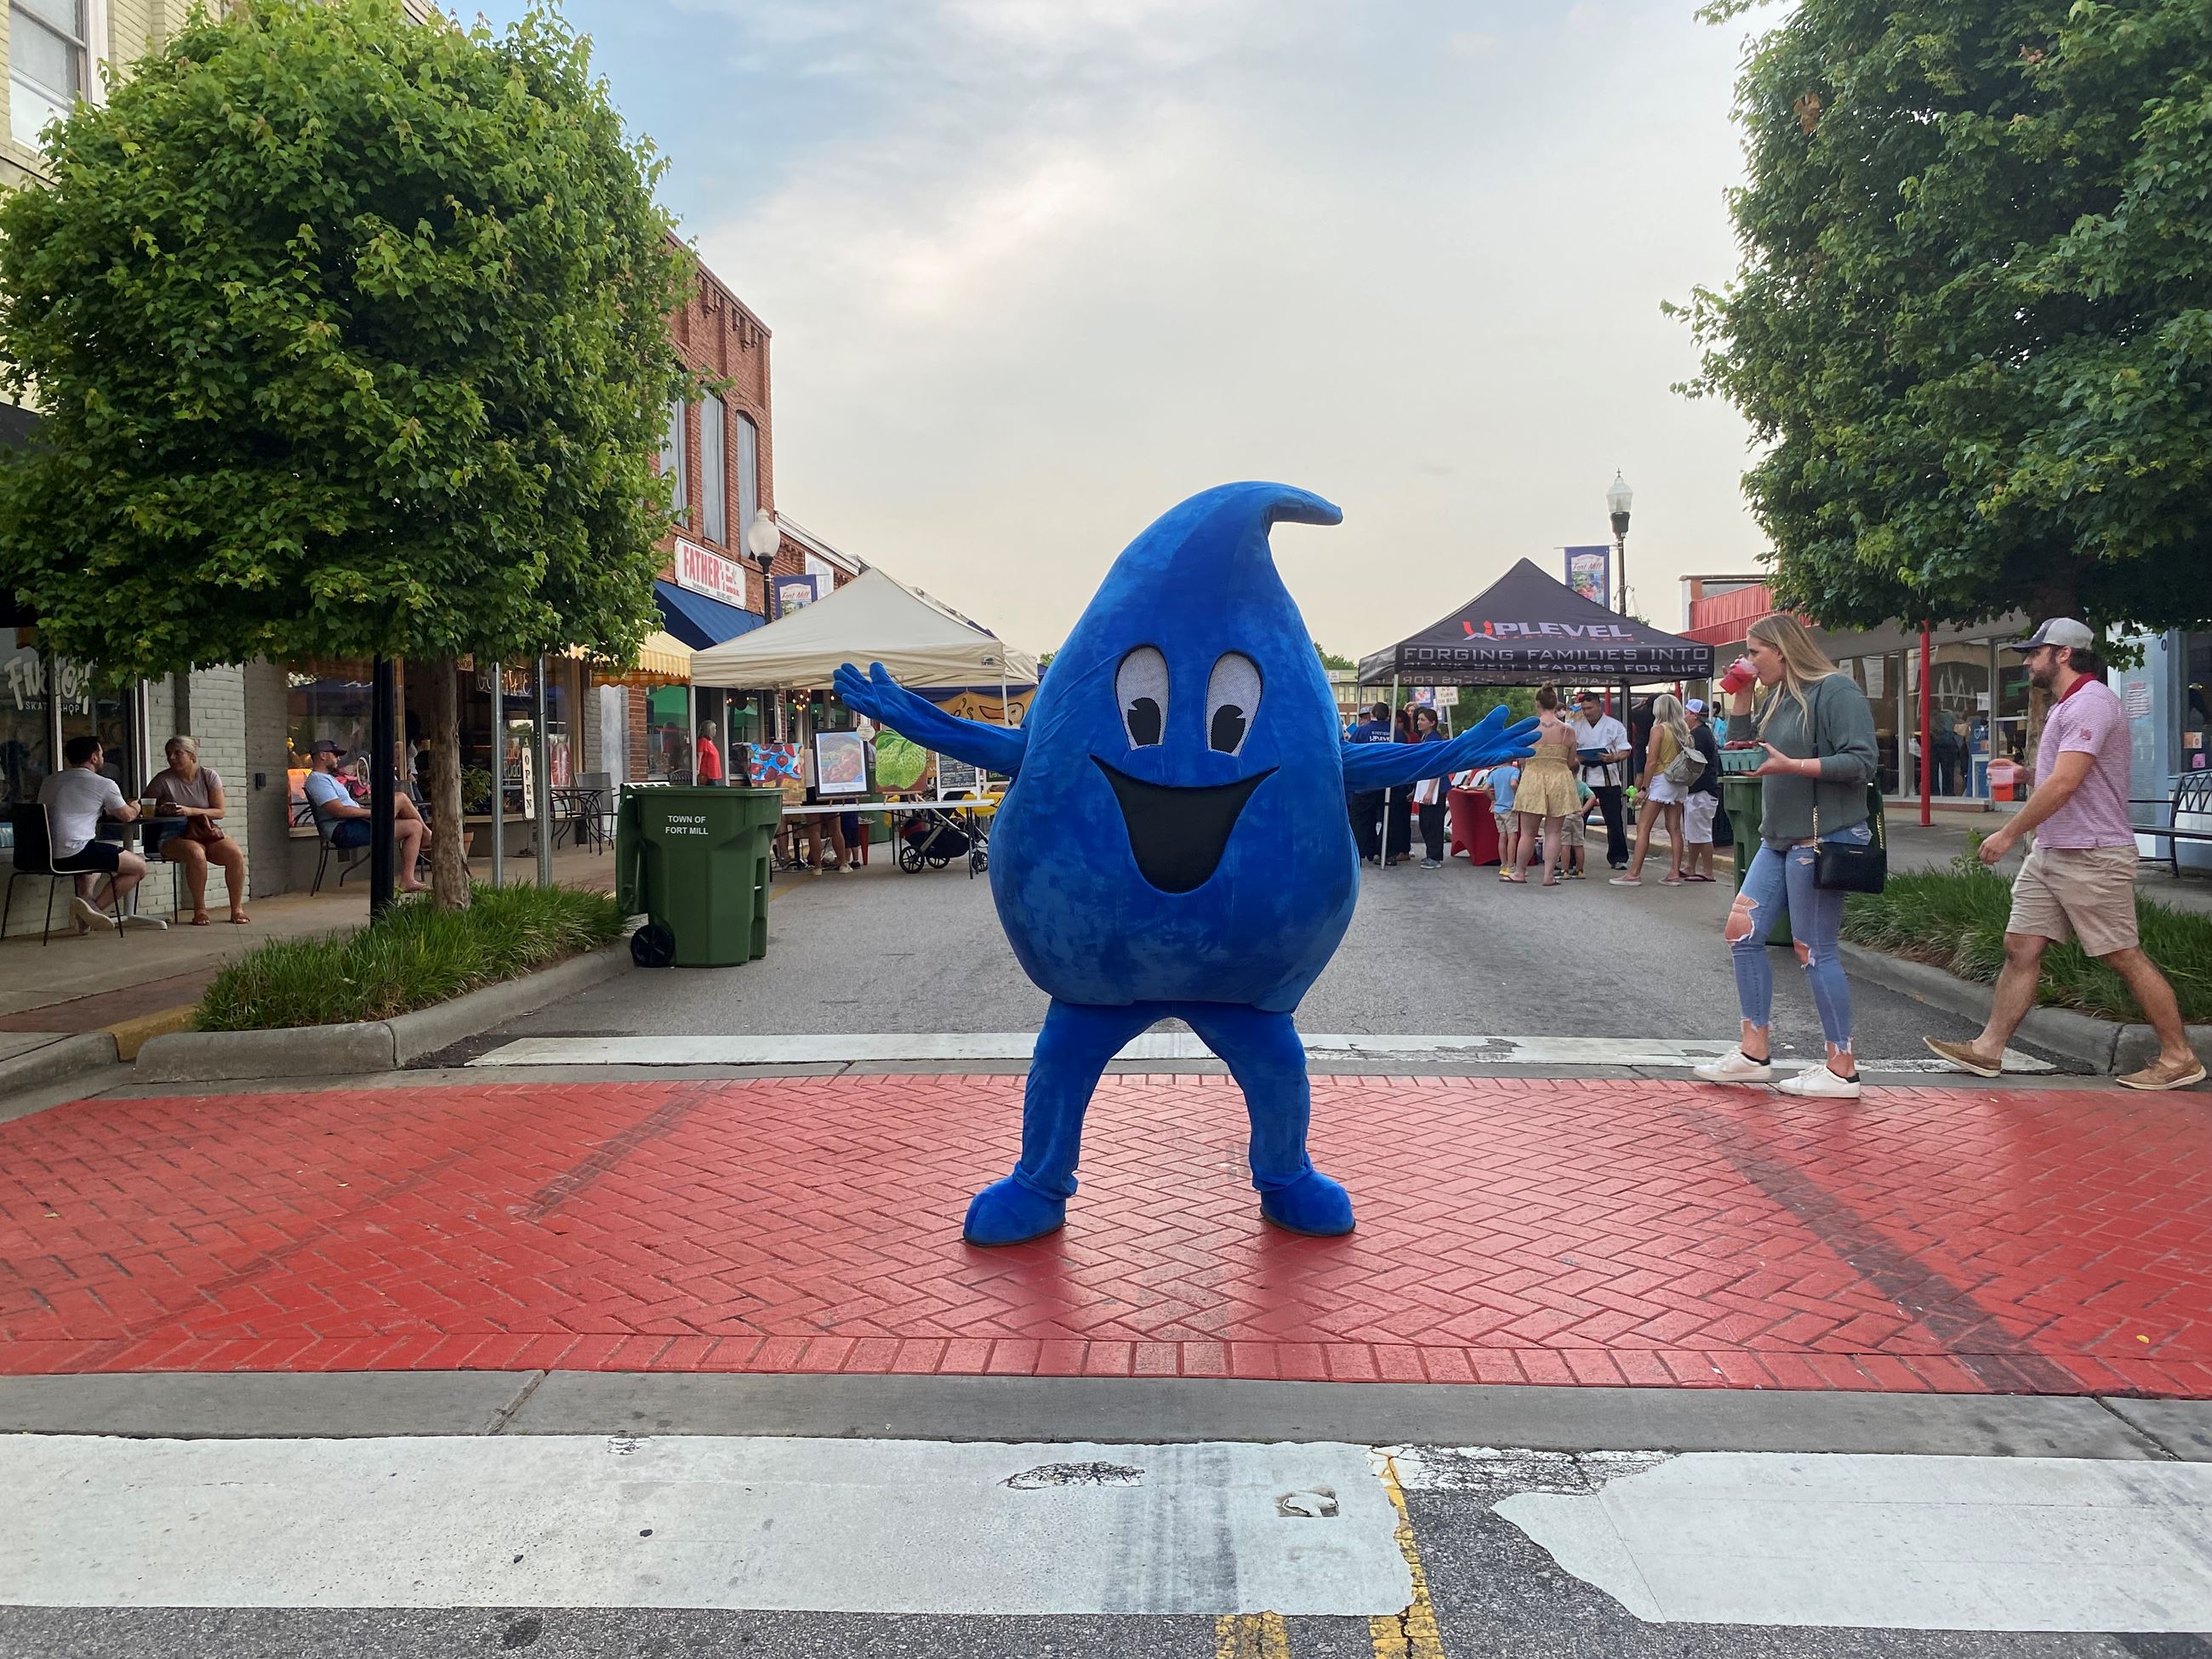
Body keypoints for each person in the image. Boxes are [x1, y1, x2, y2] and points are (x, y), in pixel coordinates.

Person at [1924, 620, 2205, 1092]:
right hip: (2054, 850)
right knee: (2021, 947)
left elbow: (2066, 783)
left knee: (2123, 956)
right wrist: (2025, 771)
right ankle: (1989, 1049)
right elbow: (2064, 774)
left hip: (2092, 852)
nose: (2027, 661)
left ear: (2062, 654)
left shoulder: (2091, 704)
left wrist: (2009, 832)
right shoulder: (2068, 705)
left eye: (2034, 653)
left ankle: (2179, 1057)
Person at [1693, 613, 1878, 1098]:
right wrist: (1740, 696)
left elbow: (1862, 761)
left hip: (1821, 838)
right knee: (1742, 932)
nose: (1749, 661)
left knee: (1813, 949)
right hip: (1778, 838)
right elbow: (1740, 749)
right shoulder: (1776, 695)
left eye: (1755, 652)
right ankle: (1754, 1052)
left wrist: (1794, 765)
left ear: (1782, 648)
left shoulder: (1835, 691)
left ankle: (1842, 1067)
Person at [37, 734, 159, 932]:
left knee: (94, 864)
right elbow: (127, 816)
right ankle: (93, 911)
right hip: (74, 854)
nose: (103, 757)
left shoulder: (50, 780)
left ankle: (85, 904)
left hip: (42, 855)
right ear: (94, 757)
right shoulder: (104, 784)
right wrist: (135, 806)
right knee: (139, 867)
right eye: (101, 753)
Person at [145, 735, 249, 926]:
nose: (172, 758)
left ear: (192, 756)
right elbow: (145, 806)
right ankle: (200, 910)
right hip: (173, 833)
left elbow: (220, 811)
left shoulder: (208, 776)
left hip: (205, 830)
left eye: (178, 753)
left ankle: (237, 908)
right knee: (196, 853)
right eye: (169, 754)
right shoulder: (163, 780)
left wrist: (189, 811)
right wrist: (161, 809)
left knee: (235, 854)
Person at [301, 739, 430, 894]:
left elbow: (347, 806)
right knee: (401, 798)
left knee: (413, 826)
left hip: (356, 823)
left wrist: (365, 809)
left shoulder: (327, 779)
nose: (339, 759)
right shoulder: (317, 780)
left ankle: (408, 880)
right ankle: (428, 834)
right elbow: (338, 811)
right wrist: (373, 813)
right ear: (322, 755)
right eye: (335, 755)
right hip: (343, 829)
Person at [1613, 692, 1695, 886]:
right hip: (1679, 781)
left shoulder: (1658, 729)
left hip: (1661, 779)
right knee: (1674, 828)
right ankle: (1674, 872)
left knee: (1643, 827)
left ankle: (1634, 873)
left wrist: (1644, 788)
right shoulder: (1683, 730)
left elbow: (1651, 762)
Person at [1506, 685, 1579, 887]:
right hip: (1559, 778)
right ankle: (1548, 875)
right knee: (1554, 831)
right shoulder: (1568, 731)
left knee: (1528, 832)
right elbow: (1571, 761)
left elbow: (1520, 758)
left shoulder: (1528, 728)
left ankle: (1520, 872)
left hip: (1533, 777)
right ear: (1555, 704)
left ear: (1537, 704)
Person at [1570, 690, 1632, 869]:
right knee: (1575, 819)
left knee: (1613, 820)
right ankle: (1571, 858)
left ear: (1598, 705)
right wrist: (1576, 758)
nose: (1587, 711)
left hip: (1608, 777)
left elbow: (1625, 749)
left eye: (1590, 707)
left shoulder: (1614, 725)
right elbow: (1569, 750)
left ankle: (1618, 857)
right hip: (1583, 777)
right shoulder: (1576, 725)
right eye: (1584, 708)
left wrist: (1615, 758)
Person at [1680, 698, 1724, 883]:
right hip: (1699, 791)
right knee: (1694, 832)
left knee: (1703, 833)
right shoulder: (1703, 733)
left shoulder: (1699, 735)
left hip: (1702, 791)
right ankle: (1690, 866)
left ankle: (1707, 871)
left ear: (1694, 716)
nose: (1685, 716)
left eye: (1688, 713)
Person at [1345, 703, 1393, 864]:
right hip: (1389, 783)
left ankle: (1358, 852)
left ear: (1372, 714)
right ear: (1388, 715)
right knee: (1388, 819)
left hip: (1365, 783)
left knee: (1359, 819)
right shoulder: (1395, 732)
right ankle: (1383, 852)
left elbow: (1350, 752)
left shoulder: (1362, 731)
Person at [1408, 706, 1450, 868]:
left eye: (1422, 719)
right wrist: (1416, 791)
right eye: (1418, 719)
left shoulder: (1434, 740)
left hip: (1435, 787)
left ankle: (1435, 856)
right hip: (1427, 786)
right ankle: (1431, 854)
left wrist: (1430, 791)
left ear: (1432, 723)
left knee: (1432, 823)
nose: (1419, 722)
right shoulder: (1425, 738)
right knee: (1426, 822)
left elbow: (1436, 767)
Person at [1483, 756, 1520, 876]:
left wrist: (1493, 800)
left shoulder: (1495, 772)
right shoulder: (1514, 771)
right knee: (1512, 837)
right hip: (1509, 808)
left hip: (1498, 808)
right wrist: (1516, 798)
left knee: (1502, 837)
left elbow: (1485, 789)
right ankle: (1511, 866)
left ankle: (1503, 865)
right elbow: (1514, 784)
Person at [696, 720, 725, 785]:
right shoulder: (703, 741)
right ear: (709, 730)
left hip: (714, 774)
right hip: (708, 775)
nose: (715, 730)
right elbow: (699, 756)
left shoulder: (710, 741)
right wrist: (697, 770)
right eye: (714, 729)